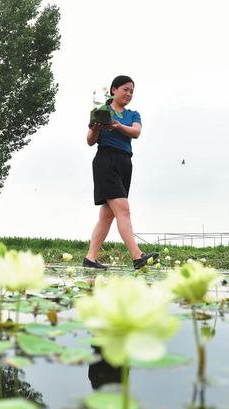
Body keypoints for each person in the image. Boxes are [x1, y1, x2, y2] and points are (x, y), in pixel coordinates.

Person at [84, 75, 158, 270]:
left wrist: (116, 126)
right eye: (125, 89)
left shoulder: (133, 114)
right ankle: (137, 256)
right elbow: (90, 141)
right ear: (113, 90)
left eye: (132, 91)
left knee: (107, 215)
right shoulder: (101, 110)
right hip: (106, 160)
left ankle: (90, 258)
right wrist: (97, 129)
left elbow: (136, 132)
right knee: (123, 210)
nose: (129, 93)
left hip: (125, 162)